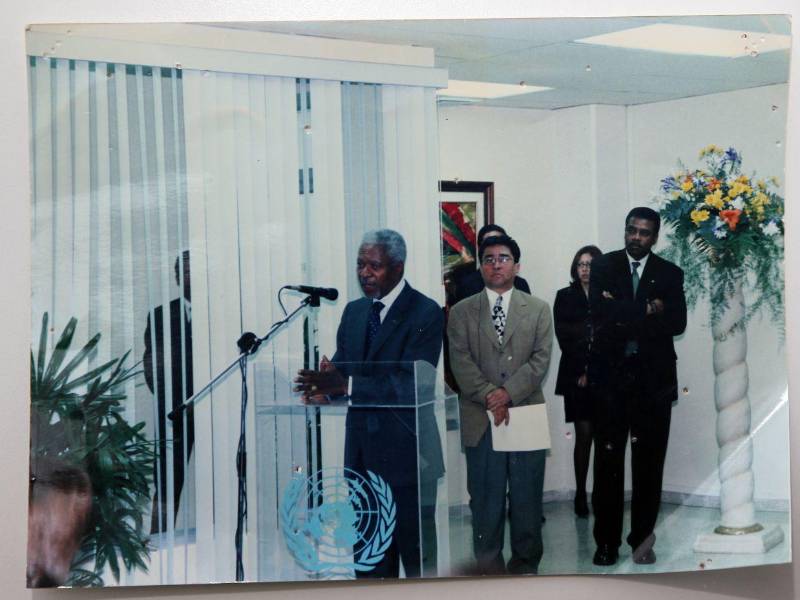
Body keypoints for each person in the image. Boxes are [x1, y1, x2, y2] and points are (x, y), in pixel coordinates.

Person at [294, 229, 444, 578]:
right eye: (360, 264)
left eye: (373, 266)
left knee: (417, 562)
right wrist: (325, 386)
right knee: (370, 561)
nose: (364, 273)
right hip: (363, 457)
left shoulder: (425, 312)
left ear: (398, 268)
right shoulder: (354, 312)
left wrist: (345, 384)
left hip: (410, 457)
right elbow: (347, 369)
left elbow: (412, 386)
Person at [447, 234, 553, 575]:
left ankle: (525, 571)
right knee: (486, 504)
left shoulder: (538, 309)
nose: (496, 264)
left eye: (503, 258)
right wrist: (490, 396)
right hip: (481, 418)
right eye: (489, 258)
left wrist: (506, 394)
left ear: (516, 266)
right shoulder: (462, 311)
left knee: (526, 501)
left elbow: (540, 361)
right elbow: (460, 362)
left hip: (524, 414)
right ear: (480, 266)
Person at [588, 207, 687, 566]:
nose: (636, 238)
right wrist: (648, 309)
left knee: (649, 467)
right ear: (625, 230)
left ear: (655, 237)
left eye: (644, 233)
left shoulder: (670, 273)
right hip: (610, 384)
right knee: (608, 465)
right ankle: (607, 543)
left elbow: (677, 322)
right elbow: (599, 315)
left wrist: (624, 310)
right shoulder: (604, 267)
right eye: (632, 230)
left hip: (653, 385)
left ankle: (642, 541)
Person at [143, 250, 194, 533]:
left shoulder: (221, 314)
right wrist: (172, 402)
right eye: (184, 271)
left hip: (216, 411)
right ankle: (159, 543)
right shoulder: (161, 316)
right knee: (166, 482)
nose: (190, 276)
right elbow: (152, 365)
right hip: (176, 413)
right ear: (177, 277)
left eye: (195, 270)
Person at [553, 244, 602, 518]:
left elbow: (610, 336)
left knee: (604, 435)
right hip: (576, 376)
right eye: (581, 264)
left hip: (604, 377)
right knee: (583, 436)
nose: (585, 269)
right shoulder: (564, 296)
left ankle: (601, 493)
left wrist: (596, 369)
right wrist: (583, 370)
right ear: (575, 268)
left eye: (591, 264)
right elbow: (566, 338)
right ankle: (581, 493)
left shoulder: (608, 296)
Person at [451, 224, 531, 305]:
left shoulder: (520, 284)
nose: (495, 247)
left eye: (499, 242)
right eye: (489, 243)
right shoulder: (467, 286)